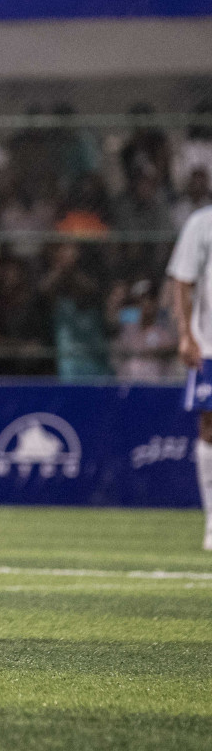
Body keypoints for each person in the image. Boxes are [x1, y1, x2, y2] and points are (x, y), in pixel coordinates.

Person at [166, 205, 212, 551]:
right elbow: (182, 280)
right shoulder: (202, 222)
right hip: (209, 344)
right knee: (209, 427)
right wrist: (185, 334)